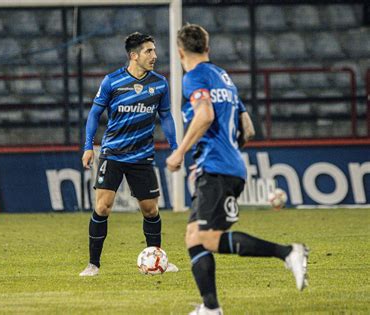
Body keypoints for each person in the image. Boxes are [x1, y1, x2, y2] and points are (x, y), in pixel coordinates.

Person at [166, 24, 309, 314]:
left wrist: (179, 152)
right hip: (229, 166)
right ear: (208, 47)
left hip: (215, 168)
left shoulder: (194, 78)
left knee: (205, 238)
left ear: (180, 51)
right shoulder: (224, 78)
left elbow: (204, 115)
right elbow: (248, 129)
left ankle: (287, 252)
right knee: (194, 238)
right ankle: (211, 308)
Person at [80, 32, 179, 276]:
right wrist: (87, 146)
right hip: (113, 153)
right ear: (133, 55)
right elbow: (94, 114)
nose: (154, 56)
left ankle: (156, 258)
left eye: (154, 51)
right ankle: (93, 264)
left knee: (150, 210)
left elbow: (165, 116)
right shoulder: (112, 82)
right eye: (148, 51)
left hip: (142, 156)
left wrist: (176, 147)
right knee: (103, 207)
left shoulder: (159, 83)